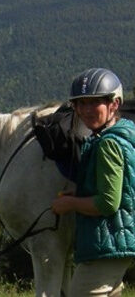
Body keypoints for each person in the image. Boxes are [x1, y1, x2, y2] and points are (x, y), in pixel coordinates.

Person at [52, 68, 135, 297]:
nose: (86, 110)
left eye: (94, 103)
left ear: (114, 104)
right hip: (116, 243)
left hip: (106, 247)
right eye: (80, 104)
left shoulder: (107, 145)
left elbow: (108, 203)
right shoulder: (124, 133)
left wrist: (70, 204)